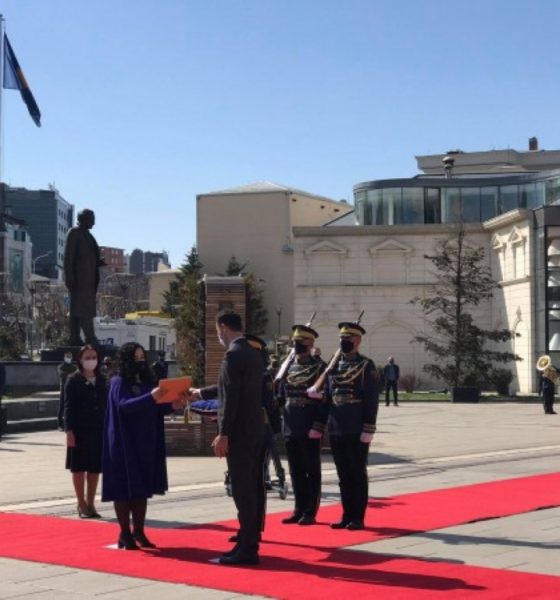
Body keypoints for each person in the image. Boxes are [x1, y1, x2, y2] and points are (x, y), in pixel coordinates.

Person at [193, 312, 266, 566]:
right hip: (254, 429)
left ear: (223, 327)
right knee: (250, 488)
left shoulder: (233, 355)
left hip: (239, 433)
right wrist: (200, 393)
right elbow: (229, 389)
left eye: (217, 331)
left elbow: (230, 399)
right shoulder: (252, 353)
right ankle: (248, 539)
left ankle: (248, 549)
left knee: (242, 490)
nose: (218, 336)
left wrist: (223, 433)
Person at [101, 342, 185, 550]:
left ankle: (139, 530)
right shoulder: (118, 381)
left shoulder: (147, 380)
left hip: (145, 441)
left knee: (142, 488)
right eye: (136, 357)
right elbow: (124, 406)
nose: (140, 361)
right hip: (124, 442)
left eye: (142, 357)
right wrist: (151, 396)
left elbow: (155, 407)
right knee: (123, 488)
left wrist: (173, 405)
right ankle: (125, 532)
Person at [324, 321, 379, 531]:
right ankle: (346, 515)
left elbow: (371, 398)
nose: (343, 341)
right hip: (337, 425)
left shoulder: (366, 365)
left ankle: (358, 517)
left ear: (357, 341)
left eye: (347, 338)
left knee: (357, 472)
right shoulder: (334, 365)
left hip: (356, 426)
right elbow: (330, 394)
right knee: (343, 474)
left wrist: (369, 427)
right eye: (341, 338)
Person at [277, 324, 327, 526]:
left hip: (309, 422)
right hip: (291, 421)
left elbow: (325, 400)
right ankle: (298, 508)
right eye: (295, 341)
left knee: (311, 469)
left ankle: (310, 511)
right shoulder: (288, 366)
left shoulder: (320, 368)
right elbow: (281, 394)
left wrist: (318, 425)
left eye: (301, 341)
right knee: (295, 469)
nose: (297, 344)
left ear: (311, 343)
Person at [64, 345, 107, 518]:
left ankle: (91, 502)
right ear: (80, 360)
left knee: (94, 468)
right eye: (87, 358)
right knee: (79, 468)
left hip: (98, 429)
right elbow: (68, 407)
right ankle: (81, 503)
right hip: (79, 430)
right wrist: (69, 431)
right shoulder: (73, 380)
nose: (91, 361)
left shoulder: (102, 379)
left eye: (94, 357)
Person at [63, 209, 105, 346]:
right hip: (79, 280)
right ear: (85, 219)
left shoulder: (88, 235)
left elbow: (88, 256)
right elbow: (69, 257)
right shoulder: (74, 233)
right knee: (83, 309)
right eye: (92, 219)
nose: (94, 222)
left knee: (77, 310)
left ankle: (74, 338)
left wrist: (98, 262)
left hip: (88, 280)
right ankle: (90, 337)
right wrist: (69, 277)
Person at [57, 352, 78, 430]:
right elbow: (62, 375)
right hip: (63, 387)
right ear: (64, 357)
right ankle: (60, 424)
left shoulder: (74, 367)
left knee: (72, 405)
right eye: (67, 356)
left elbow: (76, 375)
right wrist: (71, 374)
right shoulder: (61, 366)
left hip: (72, 387)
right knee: (62, 405)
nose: (68, 358)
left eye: (70, 356)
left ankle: (71, 423)